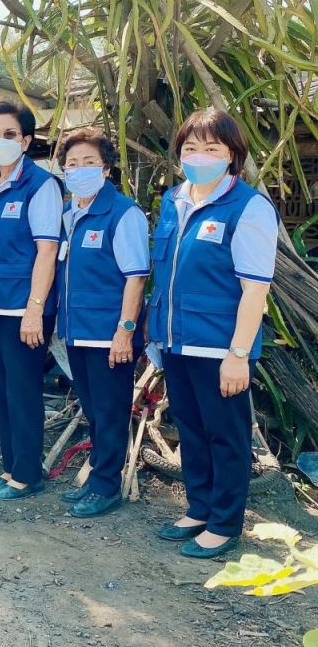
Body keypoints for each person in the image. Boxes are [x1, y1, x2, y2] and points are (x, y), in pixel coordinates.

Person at [148, 109, 277, 559]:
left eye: (211, 148)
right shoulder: (174, 199)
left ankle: (224, 523)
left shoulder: (248, 207)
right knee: (191, 429)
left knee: (225, 435)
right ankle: (199, 508)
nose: (199, 156)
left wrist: (238, 355)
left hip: (220, 345)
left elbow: (255, 289)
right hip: (176, 340)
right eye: (191, 148)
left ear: (232, 155)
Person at [54, 128, 149, 517]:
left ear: (106, 168)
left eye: (89, 162)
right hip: (77, 331)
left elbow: (136, 277)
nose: (79, 170)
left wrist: (124, 332)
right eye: (72, 164)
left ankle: (107, 486)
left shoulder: (123, 213)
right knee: (94, 411)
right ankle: (98, 477)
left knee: (110, 413)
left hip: (110, 335)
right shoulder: (69, 214)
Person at [0, 100, 63, 501]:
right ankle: (11, 468)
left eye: (10, 134)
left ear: (26, 141)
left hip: (22, 308)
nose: (1, 141)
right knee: (3, 388)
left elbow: (47, 250)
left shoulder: (40, 186)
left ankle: (27, 475)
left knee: (23, 391)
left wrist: (34, 310)